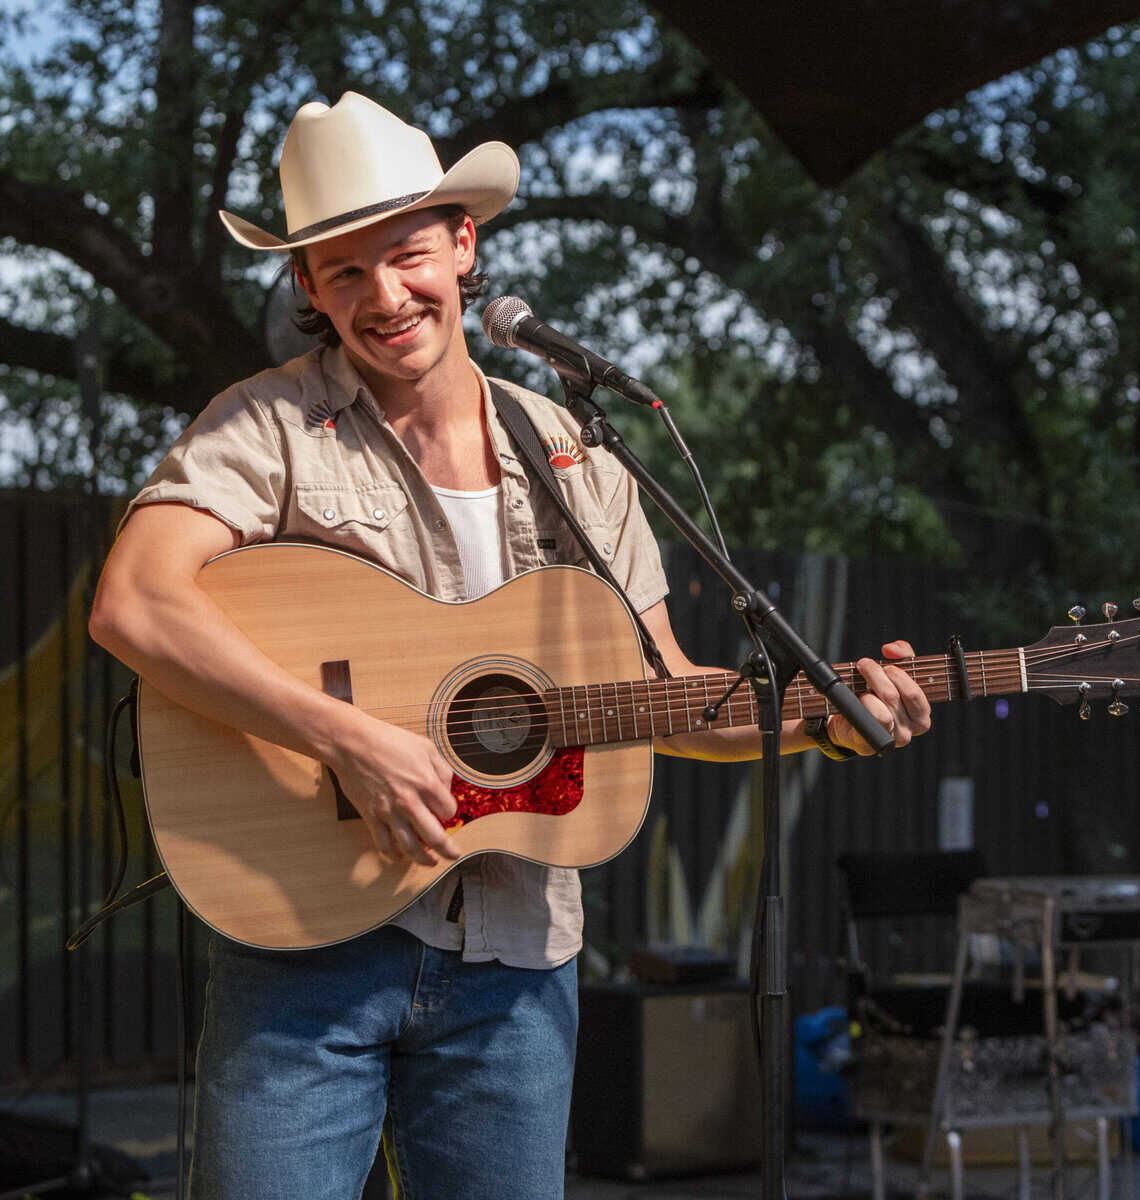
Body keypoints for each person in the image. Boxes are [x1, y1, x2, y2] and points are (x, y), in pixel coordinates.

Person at [89, 92, 931, 1199]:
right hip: (303, 951)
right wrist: (347, 739)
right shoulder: (266, 427)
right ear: (306, 287)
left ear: (462, 242)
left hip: (516, 965)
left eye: (404, 255)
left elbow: (663, 691)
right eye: (343, 273)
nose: (384, 298)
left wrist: (822, 718)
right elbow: (135, 605)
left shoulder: (573, 451)